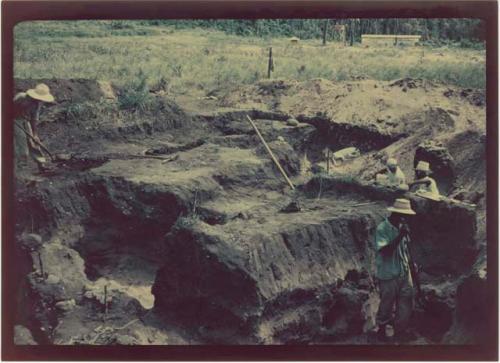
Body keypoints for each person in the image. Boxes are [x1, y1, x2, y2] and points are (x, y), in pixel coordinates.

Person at [374, 198, 416, 342]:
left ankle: (400, 331)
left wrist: (411, 265)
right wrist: (400, 235)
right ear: (396, 213)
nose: (406, 218)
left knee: (406, 301)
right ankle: (381, 330)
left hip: (403, 271)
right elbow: (385, 251)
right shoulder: (382, 228)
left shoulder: (402, 226)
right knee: (386, 303)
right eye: (404, 215)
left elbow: (405, 250)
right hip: (388, 273)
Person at [14, 83, 55, 172]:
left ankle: (41, 164)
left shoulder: (37, 104)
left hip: (26, 120)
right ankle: (22, 168)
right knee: (22, 145)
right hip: (15, 120)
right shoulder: (21, 97)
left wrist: (35, 134)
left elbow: (34, 119)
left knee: (34, 143)